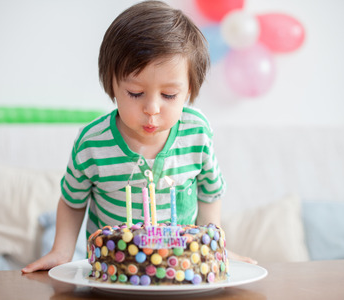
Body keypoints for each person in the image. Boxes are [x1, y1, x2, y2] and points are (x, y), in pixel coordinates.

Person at [22, 0, 255, 274]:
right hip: (113, 272)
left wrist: (215, 246)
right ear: (112, 84)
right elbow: (73, 202)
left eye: (169, 95)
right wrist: (61, 251)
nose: (152, 109)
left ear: (190, 90)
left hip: (181, 269)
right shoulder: (92, 143)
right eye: (135, 92)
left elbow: (210, 191)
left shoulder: (197, 133)